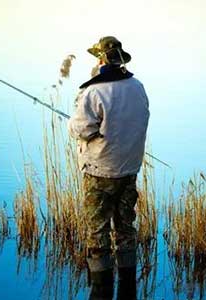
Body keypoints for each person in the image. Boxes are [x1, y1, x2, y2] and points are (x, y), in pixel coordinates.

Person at [68, 36, 150, 300]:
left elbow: (80, 129)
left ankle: (101, 288)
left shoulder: (94, 91)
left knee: (98, 229)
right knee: (126, 226)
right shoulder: (138, 87)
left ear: (102, 60)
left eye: (97, 58)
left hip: (99, 170)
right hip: (128, 169)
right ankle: (128, 284)